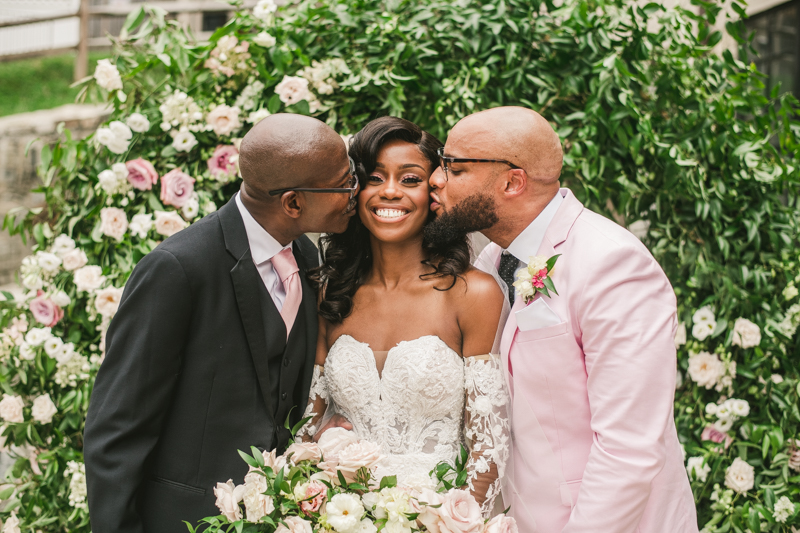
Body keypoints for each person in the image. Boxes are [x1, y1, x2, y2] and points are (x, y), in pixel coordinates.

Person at [427, 106, 699, 532]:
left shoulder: (613, 264)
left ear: (512, 181)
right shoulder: (492, 259)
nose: (436, 180)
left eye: (454, 168)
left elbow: (628, 450)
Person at [83, 114, 359, 533]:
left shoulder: (305, 257)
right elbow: (116, 430)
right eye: (344, 183)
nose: (354, 191)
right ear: (293, 203)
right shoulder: (178, 269)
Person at [299, 116, 509, 515]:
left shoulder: (472, 294)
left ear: (433, 192)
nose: (390, 192)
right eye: (375, 178)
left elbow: (489, 447)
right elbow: (306, 431)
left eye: (410, 179)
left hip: (437, 519)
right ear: (354, 191)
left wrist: (447, 525)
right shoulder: (332, 293)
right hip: (340, 517)